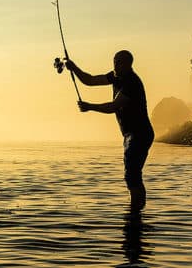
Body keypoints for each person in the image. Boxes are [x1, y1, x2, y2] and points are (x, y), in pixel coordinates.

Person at [66, 50, 154, 211]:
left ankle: (136, 212)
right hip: (130, 135)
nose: (115, 65)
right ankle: (136, 211)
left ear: (128, 64)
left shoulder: (131, 83)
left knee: (132, 175)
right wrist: (74, 68)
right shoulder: (115, 76)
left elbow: (113, 106)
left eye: (119, 62)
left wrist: (89, 106)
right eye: (114, 61)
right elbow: (90, 80)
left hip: (140, 134)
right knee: (132, 176)